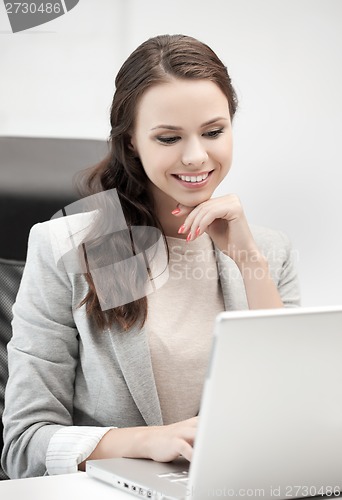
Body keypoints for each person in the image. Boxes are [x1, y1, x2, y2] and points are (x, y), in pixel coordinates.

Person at [1, 34, 300, 479]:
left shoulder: (269, 251)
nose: (196, 156)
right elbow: (24, 446)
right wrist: (146, 441)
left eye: (213, 132)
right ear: (132, 143)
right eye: (168, 137)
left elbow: (291, 415)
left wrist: (248, 260)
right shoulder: (66, 246)